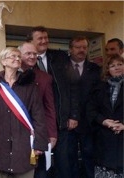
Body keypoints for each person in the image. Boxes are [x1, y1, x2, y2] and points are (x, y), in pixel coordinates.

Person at [0, 47, 48, 178]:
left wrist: (39, 144)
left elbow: (39, 116)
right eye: (13, 56)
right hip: (0, 146)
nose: (17, 59)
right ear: (3, 61)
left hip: (24, 147)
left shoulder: (30, 86)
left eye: (19, 57)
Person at [26, 26, 80, 178]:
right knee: (41, 165)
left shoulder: (61, 57)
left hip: (62, 120)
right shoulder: (26, 62)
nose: (44, 41)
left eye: (46, 38)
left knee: (63, 163)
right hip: (38, 123)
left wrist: (74, 115)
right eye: (40, 38)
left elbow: (73, 86)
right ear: (30, 41)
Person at [18, 42, 57, 178]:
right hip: (15, 133)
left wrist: (52, 134)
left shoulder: (44, 78)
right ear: (19, 55)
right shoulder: (7, 76)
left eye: (35, 54)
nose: (32, 56)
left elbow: (49, 107)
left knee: (39, 171)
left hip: (37, 132)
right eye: (28, 53)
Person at [67, 36, 101, 178]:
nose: (82, 50)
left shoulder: (96, 69)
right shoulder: (60, 67)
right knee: (70, 158)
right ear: (70, 49)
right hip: (68, 121)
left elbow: (98, 96)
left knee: (89, 157)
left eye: (84, 47)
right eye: (78, 47)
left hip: (89, 122)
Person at [87, 54, 123, 177]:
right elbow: (90, 110)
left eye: (120, 64)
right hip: (104, 141)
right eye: (112, 66)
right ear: (108, 69)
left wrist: (122, 124)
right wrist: (104, 121)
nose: (116, 67)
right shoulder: (99, 87)